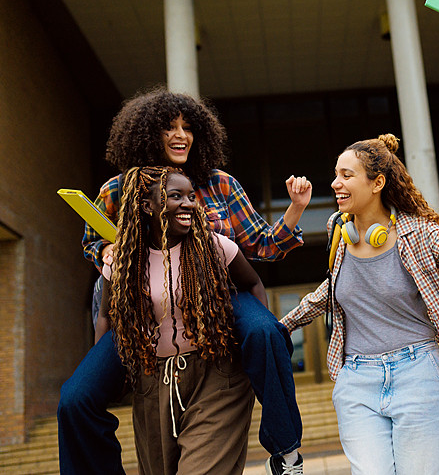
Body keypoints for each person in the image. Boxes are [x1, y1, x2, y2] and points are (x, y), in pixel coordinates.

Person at [57, 88, 308, 475]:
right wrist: (107, 250)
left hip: (220, 294)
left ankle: (286, 451)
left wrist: (294, 209)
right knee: (75, 400)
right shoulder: (119, 189)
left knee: (265, 332)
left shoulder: (219, 183)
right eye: (169, 127)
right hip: (144, 310)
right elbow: (93, 242)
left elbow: (262, 244)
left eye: (188, 127)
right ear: (144, 135)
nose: (181, 135)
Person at [280, 134, 439, 474]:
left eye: (347, 175)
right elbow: (333, 289)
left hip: (418, 374)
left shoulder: (420, 233)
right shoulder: (340, 231)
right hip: (356, 380)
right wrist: (284, 326)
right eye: (336, 174)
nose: (336, 183)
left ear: (377, 182)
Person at [97, 166, 259, 474]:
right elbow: (106, 316)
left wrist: (255, 344)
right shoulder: (124, 261)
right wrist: (106, 376)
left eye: (191, 196)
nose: (189, 203)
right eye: (176, 196)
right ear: (148, 206)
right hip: (151, 383)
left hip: (214, 375)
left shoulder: (213, 246)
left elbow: (253, 285)